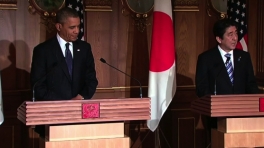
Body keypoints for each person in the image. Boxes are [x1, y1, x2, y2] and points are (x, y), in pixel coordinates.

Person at [30, 7, 98, 137]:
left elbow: (91, 80)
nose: (77, 31)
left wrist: (80, 97)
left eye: (78, 26)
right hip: (52, 117)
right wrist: (64, 104)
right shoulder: (43, 51)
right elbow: (37, 86)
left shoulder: (84, 48)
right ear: (59, 26)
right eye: (72, 27)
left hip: (79, 117)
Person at [195, 18, 258, 147]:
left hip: (243, 116)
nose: (235, 38)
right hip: (217, 118)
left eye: (236, 33)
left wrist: (255, 107)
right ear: (219, 39)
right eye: (230, 35)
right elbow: (202, 88)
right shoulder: (206, 59)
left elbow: (251, 85)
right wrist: (215, 106)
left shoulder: (244, 57)